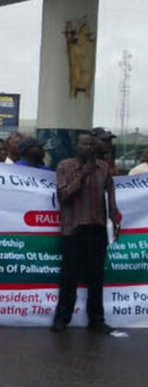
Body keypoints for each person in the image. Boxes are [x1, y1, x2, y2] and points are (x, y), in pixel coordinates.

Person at [52, 131, 120, 334]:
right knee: (69, 276)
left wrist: (114, 220)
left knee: (96, 277)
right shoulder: (65, 166)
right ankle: (62, 318)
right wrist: (83, 175)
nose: (88, 147)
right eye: (84, 144)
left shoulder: (103, 167)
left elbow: (110, 196)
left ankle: (97, 319)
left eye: (91, 144)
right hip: (74, 228)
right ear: (76, 146)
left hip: (97, 227)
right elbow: (64, 195)